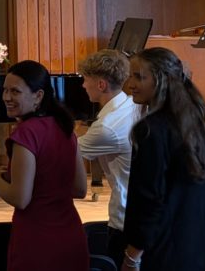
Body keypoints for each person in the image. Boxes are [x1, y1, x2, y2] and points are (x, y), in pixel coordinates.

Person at [121, 47, 205, 271]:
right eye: (130, 76)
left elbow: (148, 200)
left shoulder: (151, 130)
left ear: (162, 81)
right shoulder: (202, 122)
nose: (130, 84)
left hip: (172, 253)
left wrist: (132, 257)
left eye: (139, 77)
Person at [0, 60, 89, 271]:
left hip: (38, 239)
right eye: (5, 90)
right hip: (71, 236)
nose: (6, 97)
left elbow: (20, 198)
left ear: (38, 96)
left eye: (15, 91)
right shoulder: (64, 127)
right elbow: (79, 189)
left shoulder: (27, 132)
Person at [78, 49, 141, 268]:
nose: (83, 85)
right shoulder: (134, 104)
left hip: (125, 219)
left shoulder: (107, 127)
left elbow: (66, 153)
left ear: (101, 85)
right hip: (142, 214)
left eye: (85, 80)